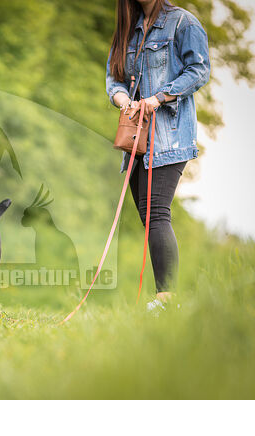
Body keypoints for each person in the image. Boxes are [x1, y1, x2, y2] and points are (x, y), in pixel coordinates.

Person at [105, 0, 210, 307]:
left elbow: (200, 69)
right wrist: (125, 99)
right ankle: (166, 296)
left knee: (156, 212)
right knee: (148, 214)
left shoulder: (183, 22)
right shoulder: (129, 27)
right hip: (137, 136)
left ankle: (167, 298)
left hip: (170, 136)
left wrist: (159, 97)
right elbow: (114, 79)